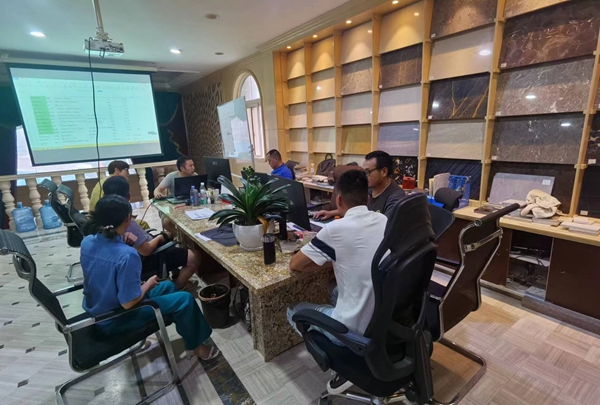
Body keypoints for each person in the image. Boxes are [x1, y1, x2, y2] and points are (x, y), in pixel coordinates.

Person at [80, 194, 219, 361]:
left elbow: (108, 262)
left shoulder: (87, 241)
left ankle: (190, 334)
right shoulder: (127, 255)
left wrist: (123, 242)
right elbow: (128, 303)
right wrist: (148, 284)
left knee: (169, 287)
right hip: (116, 318)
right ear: (128, 219)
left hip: (99, 309)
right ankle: (197, 348)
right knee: (185, 300)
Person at [287, 170, 387, 395]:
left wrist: (331, 258)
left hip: (353, 330)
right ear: (367, 198)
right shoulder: (383, 219)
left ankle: (344, 363)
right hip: (384, 316)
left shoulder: (335, 229)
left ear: (339, 199)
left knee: (294, 310)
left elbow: (295, 264)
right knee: (334, 292)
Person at [102, 176, 201, 291]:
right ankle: (178, 286)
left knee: (170, 237)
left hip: (145, 247)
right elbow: (146, 250)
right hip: (150, 256)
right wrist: (161, 237)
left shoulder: (104, 213)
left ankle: (176, 273)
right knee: (195, 256)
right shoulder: (124, 220)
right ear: (128, 196)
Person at [314, 150, 406, 220]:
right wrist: (331, 213)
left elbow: (386, 229)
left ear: (384, 172)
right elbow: (354, 209)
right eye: (363, 171)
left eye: (368, 172)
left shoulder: (396, 198)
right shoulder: (369, 187)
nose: (364, 176)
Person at [154, 156, 198, 235]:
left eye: (193, 165)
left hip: (190, 205)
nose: (193, 168)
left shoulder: (195, 176)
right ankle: (180, 237)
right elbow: (157, 189)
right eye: (190, 166)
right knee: (166, 222)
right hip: (174, 207)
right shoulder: (171, 176)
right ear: (182, 168)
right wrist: (158, 194)